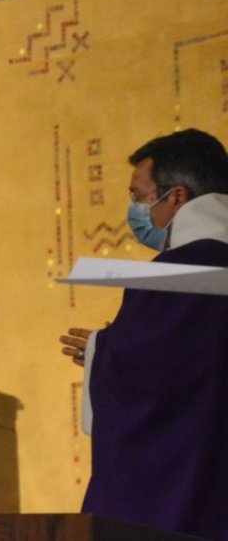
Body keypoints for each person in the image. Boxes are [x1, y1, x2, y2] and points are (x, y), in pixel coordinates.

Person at [59, 128, 228, 540]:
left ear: (177, 197)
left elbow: (151, 374)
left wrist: (103, 349)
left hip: (189, 496)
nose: (136, 210)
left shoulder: (171, 276)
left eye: (140, 196)